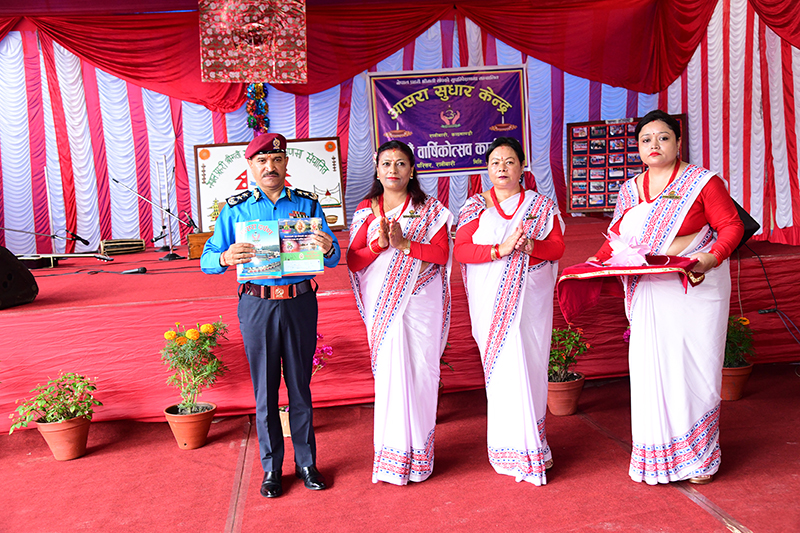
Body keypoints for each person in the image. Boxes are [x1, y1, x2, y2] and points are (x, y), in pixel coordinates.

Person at [589, 109, 744, 485]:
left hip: (693, 287)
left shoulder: (702, 182)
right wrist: (592, 264)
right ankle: (657, 456)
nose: (654, 145)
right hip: (649, 290)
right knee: (651, 370)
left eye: (663, 137)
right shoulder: (629, 190)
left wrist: (711, 257)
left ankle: (699, 458)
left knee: (693, 368)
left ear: (678, 142)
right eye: (646, 140)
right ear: (638, 147)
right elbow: (617, 241)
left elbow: (730, 226)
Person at [200, 133, 341, 498]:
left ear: (286, 163)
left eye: (276, 159)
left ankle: (307, 463)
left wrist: (328, 247)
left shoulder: (307, 204)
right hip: (258, 304)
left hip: (299, 302)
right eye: (261, 161)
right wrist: (224, 257)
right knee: (264, 390)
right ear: (250, 166)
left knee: (300, 387)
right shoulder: (236, 209)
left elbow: (334, 256)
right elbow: (207, 258)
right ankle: (271, 468)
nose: (269, 167)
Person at [454, 137, 565, 485]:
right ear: (487, 169)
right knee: (503, 371)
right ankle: (508, 449)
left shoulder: (540, 206)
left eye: (509, 161)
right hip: (491, 306)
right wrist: (499, 250)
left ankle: (535, 445)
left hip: (530, 301)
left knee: (530, 366)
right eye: (495, 162)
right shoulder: (474, 207)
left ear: (522, 167)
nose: (502, 168)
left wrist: (532, 246)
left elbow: (557, 247)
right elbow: (461, 251)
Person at [347, 140, 453, 485]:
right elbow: (354, 261)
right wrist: (379, 245)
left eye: (400, 164)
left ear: (411, 170)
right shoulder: (366, 210)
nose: (393, 170)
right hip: (383, 304)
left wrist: (405, 244)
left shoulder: (430, 210)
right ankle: (392, 456)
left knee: (422, 373)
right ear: (377, 169)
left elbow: (441, 255)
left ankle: (420, 456)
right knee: (390, 375)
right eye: (386, 164)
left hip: (421, 302)